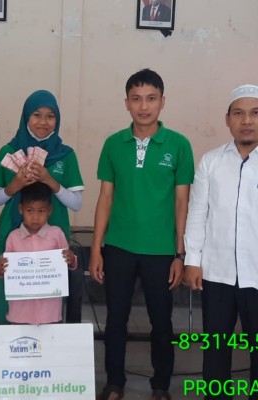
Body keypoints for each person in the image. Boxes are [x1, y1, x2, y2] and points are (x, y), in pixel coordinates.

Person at [89, 68, 194, 400]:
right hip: (118, 247)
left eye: (151, 98)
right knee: (115, 319)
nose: (144, 106)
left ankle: (160, 385)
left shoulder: (179, 145)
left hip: (161, 251)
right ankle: (115, 382)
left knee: (161, 321)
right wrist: (96, 248)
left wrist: (180, 253)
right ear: (126, 103)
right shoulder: (113, 144)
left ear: (163, 102)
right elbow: (105, 198)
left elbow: (182, 202)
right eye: (136, 99)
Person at [184, 84, 258, 400]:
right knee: (215, 350)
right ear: (228, 119)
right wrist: (192, 260)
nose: (247, 121)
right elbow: (197, 212)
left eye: (255, 113)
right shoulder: (211, 162)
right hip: (217, 274)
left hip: (256, 274)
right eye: (239, 113)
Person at [0, 89, 84, 325]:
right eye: (36, 115)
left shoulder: (66, 155)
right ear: (26, 117)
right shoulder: (9, 152)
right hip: (15, 235)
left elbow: (76, 203)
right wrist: (16, 185)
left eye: (50, 116)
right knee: (11, 303)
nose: (43, 122)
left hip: (53, 238)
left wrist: (50, 180)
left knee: (49, 304)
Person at [0, 182, 77, 324]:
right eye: (30, 211)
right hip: (20, 313)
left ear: (50, 210)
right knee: (20, 338)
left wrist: (71, 260)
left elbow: (69, 265)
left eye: (41, 211)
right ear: (21, 209)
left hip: (49, 313)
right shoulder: (13, 237)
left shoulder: (56, 234)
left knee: (51, 338)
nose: (35, 217)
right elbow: (4, 270)